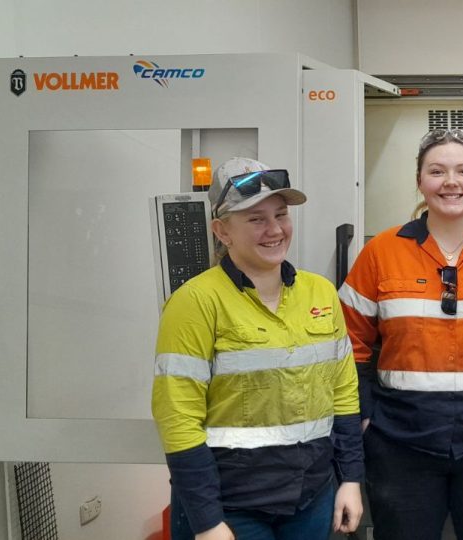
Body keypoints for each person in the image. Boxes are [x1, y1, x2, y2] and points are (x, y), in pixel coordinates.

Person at [338, 129, 463, 540]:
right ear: (419, 180)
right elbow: (347, 348)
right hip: (399, 444)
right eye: (437, 171)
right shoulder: (380, 252)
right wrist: (365, 420)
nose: (451, 182)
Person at [152, 157, 364, 540]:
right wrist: (206, 522)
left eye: (280, 215)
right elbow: (178, 418)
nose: (274, 230)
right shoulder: (195, 303)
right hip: (230, 508)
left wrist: (350, 479)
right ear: (222, 231)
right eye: (255, 219)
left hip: (310, 497)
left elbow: (344, 393)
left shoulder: (319, 293)